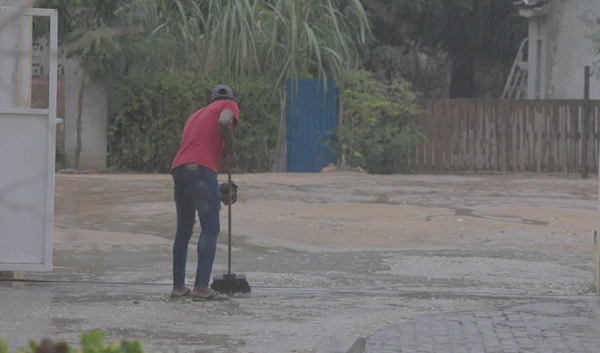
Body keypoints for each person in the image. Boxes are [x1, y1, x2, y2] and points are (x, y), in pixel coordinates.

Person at [169, 84, 239, 301]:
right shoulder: (227, 105)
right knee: (210, 227)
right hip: (200, 168)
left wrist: (217, 191)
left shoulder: (195, 115)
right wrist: (230, 151)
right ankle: (201, 287)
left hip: (179, 169)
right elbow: (224, 121)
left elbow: (194, 180)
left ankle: (179, 287)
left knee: (184, 230)